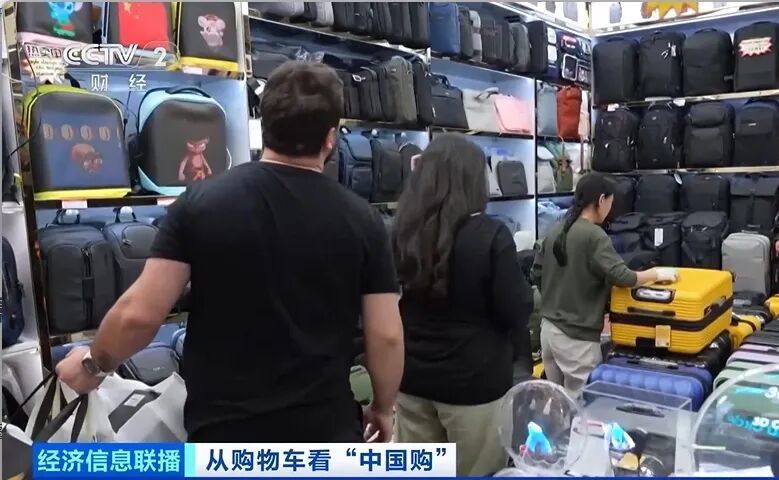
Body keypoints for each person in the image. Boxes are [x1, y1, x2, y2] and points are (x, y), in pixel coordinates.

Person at [56, 61, 405, 443]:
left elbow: (140, 314)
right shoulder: (363, 221)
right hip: (326, 433)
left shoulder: (201, 202)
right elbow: (386, 335)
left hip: (224, 436)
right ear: (330, 138)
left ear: (264, 125)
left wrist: (92, 366)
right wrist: (383, 407)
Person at [392, 134, 532, 475]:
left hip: (412, 376)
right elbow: (515, 308)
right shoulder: (490, 235)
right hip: (474, 382)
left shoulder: (402, 230)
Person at [532, 173, 677, 399]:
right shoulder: (594, 235)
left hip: (548, 332)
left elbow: (537, 273)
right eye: (610, 202)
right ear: (601, 200)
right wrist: (656, 273)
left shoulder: (556, 230)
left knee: (558, 402)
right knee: (582, 404)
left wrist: (559, 297)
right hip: (575, 339)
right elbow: (623, 276)